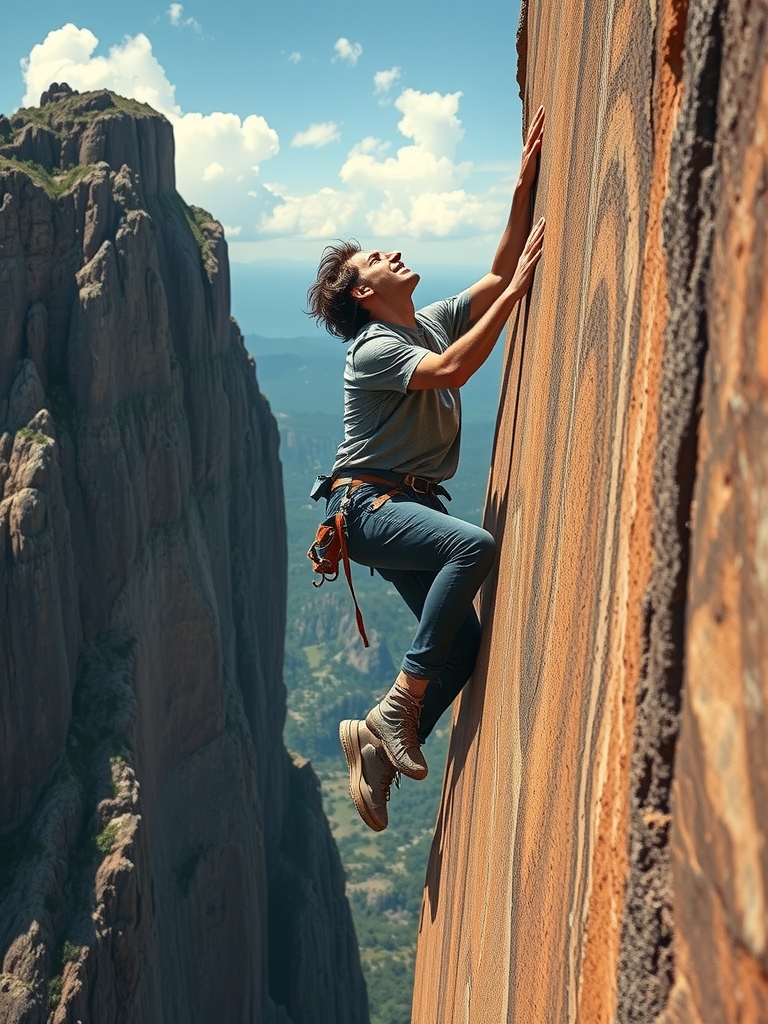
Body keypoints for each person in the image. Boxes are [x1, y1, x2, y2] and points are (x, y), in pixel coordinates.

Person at [306, 107, 546, 832]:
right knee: (472, 547)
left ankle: (375, 751)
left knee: (463, 646)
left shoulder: (425, 318)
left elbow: (500, 267)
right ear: (362, 293)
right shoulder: (375, 347)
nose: (393, 253)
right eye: (377, 258)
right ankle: (398, 707)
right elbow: (451, 370)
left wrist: (523, 186)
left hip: (401, 507)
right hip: (368, 512)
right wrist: (512, 296)